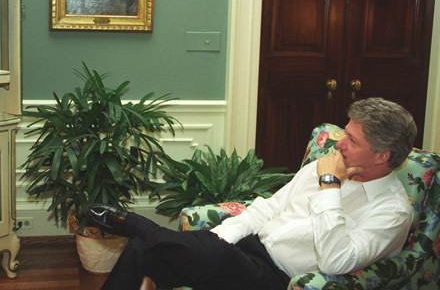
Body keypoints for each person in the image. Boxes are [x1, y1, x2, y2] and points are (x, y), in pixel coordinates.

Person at [85, 97, 416, 290]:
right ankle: (144, 230)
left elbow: (335, 260)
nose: (339, 143)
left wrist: (329, 184)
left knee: (180, 249)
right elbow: (266, 209)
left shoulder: (392, 212)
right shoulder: (327, 162)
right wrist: (222, 237)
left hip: (277, 278)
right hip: (247, 248)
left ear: (382, 156)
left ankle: (136, 224)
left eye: (352, 141)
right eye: (345, 133)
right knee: (146, 248)